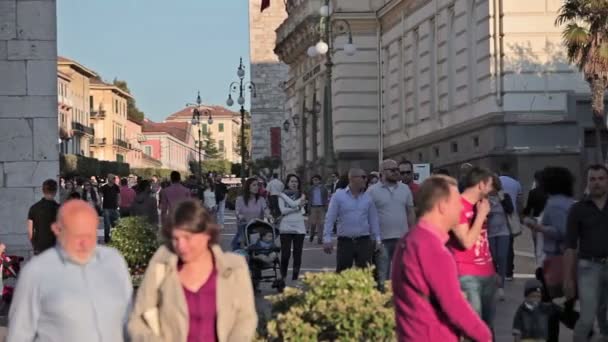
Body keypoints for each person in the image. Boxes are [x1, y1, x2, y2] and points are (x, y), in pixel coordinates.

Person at [128, 200, 257, 342]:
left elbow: (246, 318)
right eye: (176, 239)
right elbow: (137, 321)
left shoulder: (235, 268)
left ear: (207, 234)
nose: (181, 246)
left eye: (188, 238)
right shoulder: (160, 266)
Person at [8, 200, 133, 342]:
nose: (84, 244)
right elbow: (19, 334)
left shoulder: (113, 261)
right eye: (77, 236)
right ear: (57, 229)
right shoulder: (36, 272)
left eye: (90, 235)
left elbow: (129, 320)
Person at [392, 175, 492, 342]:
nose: (461, 208)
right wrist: (485, 336)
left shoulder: (410, 239)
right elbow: (454, 305)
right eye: (457, 203)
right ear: (442, 206)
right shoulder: (432, 248)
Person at [447, 166, 496, 330]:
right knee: (473, 327)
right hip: (467, 274)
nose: (492, 189)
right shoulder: (457, 206)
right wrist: (481, 215)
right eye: (490, 185)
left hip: (487, 272)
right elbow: (466, 242)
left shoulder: (480, 205)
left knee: (488, 327)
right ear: (481, 185)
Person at [564, 164, 608, 341]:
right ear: (587, 182)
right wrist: (568, 278)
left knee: (604, 313)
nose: (597, 183)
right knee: (587, 318)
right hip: (588, 267)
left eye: (601, 179)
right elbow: (570, 246)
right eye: (593, 179)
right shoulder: (578, 209)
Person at [368, 159, 416, 291]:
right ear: (382, 173)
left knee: (402, 275)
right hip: (382, 240)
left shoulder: (405, 189)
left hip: (402, 238)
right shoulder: (372, 191)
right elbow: (368, 215)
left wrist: (412, 233)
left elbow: (410, 212)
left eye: (397, 170)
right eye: (393, 170)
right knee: (382, 275)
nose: (396, 173)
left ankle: (399, 303)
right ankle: (382, 304)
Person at [323, 168, 381, 272]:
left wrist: (377, 239)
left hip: (364, 241)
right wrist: (327, 238)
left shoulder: (368, 197)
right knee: (342, 274)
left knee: (365, 274)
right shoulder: (338, 196)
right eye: (363, 177)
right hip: (345, 242)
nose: (366, 180)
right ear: (352, 178)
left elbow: (373, 219)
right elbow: (330, 218)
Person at [487, 175, 513, 302]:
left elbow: (510, 210)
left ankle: (501, 286)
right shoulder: (484, 198)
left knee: (502, 257)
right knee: (493, 258)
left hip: (504, 231)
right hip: (489, 232)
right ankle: (492, 284)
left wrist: (502, 199)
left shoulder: (504, 196)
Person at [278, 174, 307, 281]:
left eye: (296, 181)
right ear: (287, 183)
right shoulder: (281, 195)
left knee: (297, 254)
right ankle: (283, 275)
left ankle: (295, 277)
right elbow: (283, 211)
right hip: (286, 227)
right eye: (292, 181)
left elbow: (296, 207)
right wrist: (297, 207)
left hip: (299, 227)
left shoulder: (302, 195)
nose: (294, 183)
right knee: (285, 254)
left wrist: (296, 206)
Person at [499, 164, 523, 280]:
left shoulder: (496, 182)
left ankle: (500, 270)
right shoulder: (516, 183)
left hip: (497, 216)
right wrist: (520, 216)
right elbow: (519, 202)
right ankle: (509, 272)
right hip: (511, 216)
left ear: (500, 170)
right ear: (510, 170)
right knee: (510, 246)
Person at [232, 177, 268, 251]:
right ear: (248, 187)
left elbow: (266, 209)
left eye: (257, 185)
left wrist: (269, 215)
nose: (256, 187)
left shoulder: (261, 199)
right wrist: (240, 216)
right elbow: (237, 211)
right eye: (254, 185)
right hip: (244, 228)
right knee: (237, 246)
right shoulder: (240, 199)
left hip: (257, 228)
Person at [27, 179, 60, 255]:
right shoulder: (60, 209)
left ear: (43, 190)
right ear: (55, 191)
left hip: (39, 248)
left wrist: (35, 246)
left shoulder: (34, 208)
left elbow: (30, 232)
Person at [307, 175, 328, 244]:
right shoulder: (310, 188)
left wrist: (326, 207)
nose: (315, 181)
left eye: (316, 180)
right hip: (313, 207)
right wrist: (308, 208)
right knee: (313, 223)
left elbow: (326, 197)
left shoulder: (324, 188)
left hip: (321, 207)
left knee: (321, 223)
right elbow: (309, 199)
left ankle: (320, 239)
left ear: (319, 181)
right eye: (313, 180)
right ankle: (312, 235)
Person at [100, 174, 121, 243]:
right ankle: (106, 239)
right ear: (109, 179)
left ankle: (115, 237)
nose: (114, 179)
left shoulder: (116, 187)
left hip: (114, 208)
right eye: (112, 178)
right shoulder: (104, 187)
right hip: (106, 208)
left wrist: (118, 203)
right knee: (107, 225)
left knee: (115, 224)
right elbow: (101, 196)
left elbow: (118, 196)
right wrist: (101, 205)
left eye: (114, 178)